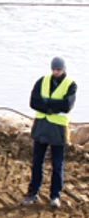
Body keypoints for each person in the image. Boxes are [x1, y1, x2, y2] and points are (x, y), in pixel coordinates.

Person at [21, 57, 77, 208]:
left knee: (57, 165)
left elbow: (67, 105)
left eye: (58, 69)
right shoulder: (42, 81)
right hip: (41, 126)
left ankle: (55, 196)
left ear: (63, 69)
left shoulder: (70, 85)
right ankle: (33, 193)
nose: (55, 72)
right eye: (53, 69)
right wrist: (52, 108)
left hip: (58, 129)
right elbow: (33, 102)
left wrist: (46, 105)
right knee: (37, 162)